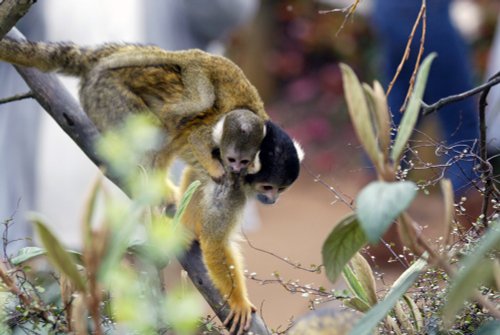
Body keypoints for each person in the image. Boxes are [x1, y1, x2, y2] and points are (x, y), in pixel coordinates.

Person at [372, 0, 479, 196]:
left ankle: (375, 199)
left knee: (400, 105)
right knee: (461, 123)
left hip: (389, 9)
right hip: (425, 13)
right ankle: (472, 218)